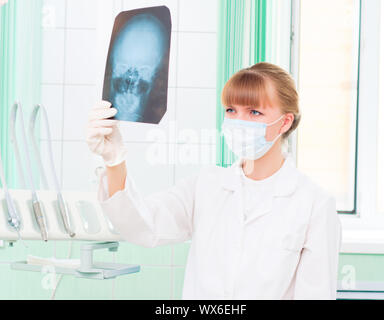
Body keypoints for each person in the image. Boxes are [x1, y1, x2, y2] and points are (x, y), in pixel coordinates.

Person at [86, 62, 342, 299]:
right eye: (231, 110)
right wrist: (114, 159)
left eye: (254, 112)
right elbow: (143, 225)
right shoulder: (207, 186)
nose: (239, 122)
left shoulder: (314, 205)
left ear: (285, 122)